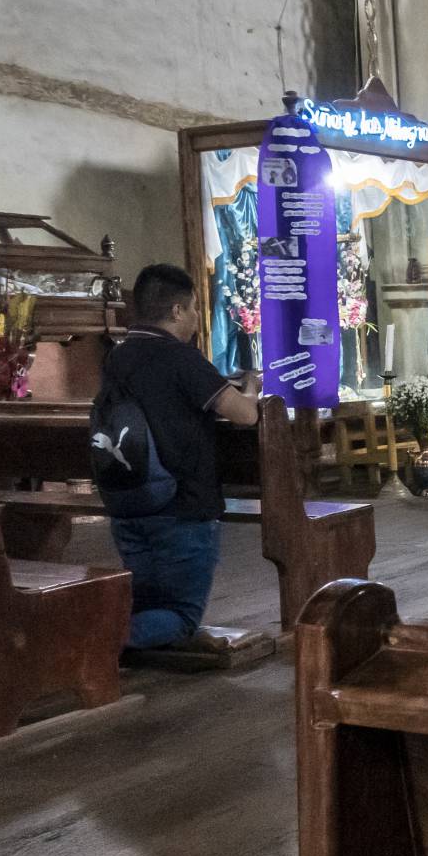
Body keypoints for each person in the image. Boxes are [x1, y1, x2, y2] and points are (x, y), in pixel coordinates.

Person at [100, 264, 261, 651]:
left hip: (129, 502)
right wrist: (252, 387)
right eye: (191, 309)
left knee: (146, 603)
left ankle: (110, 645)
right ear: (175, 311)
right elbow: (245, 414)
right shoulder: (180, 358)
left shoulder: (117, 358)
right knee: (181, 616)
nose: (193, 319)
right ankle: (92, 645)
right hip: (181, 509)